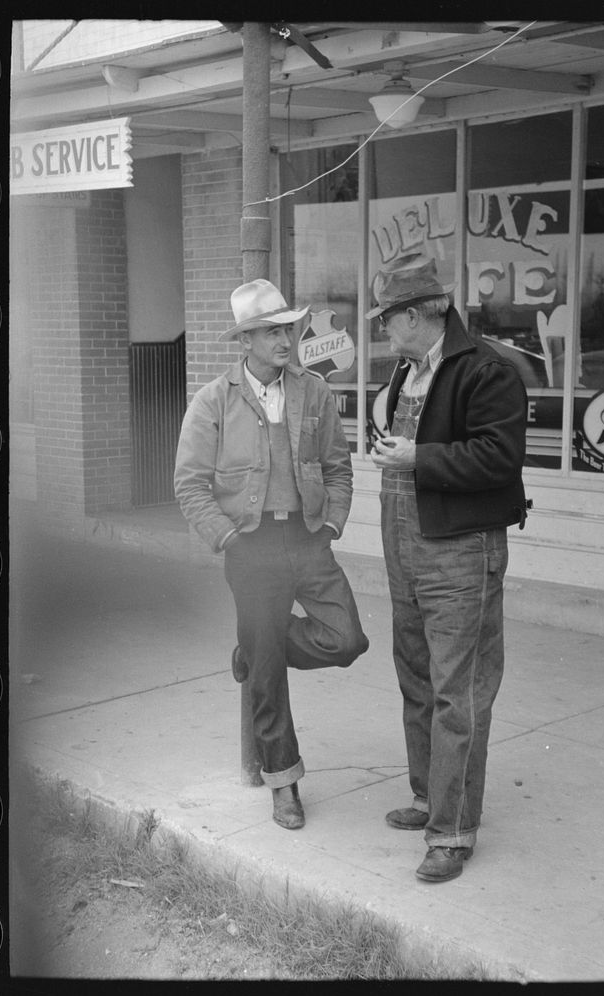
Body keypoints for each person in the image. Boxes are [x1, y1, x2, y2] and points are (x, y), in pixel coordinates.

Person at [174, 278, 369, 831]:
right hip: (250, 546)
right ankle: (284, 783)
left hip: (307, 540)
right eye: (272, 331)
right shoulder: (214, 399)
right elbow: (189, 484)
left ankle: (254, 648)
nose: (287, 338)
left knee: (347, 638)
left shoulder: (315, 392)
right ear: (246, 341)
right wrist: (229, 539)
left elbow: (338, 466)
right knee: (268, 674)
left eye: (289, 328)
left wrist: (331, 524)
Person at [368, 252, 530, 882]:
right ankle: (427, 797)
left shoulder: (486, 369)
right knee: (414, 673)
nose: (384, 331)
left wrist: (416, 455)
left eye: (388, 319)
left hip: (461, 549)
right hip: (405, 542)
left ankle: (453, 830)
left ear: (415, 316)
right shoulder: (407, 371)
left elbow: (499, 458)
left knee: (455, 689)